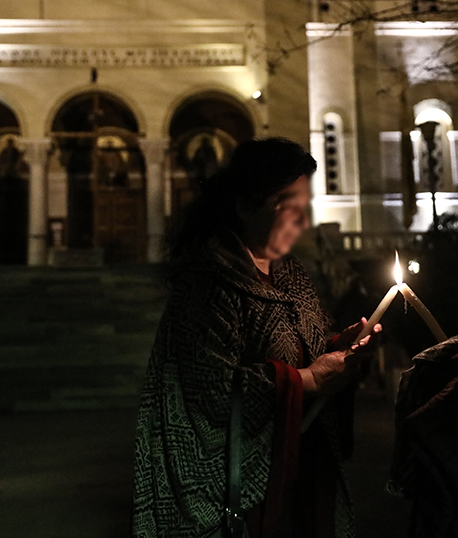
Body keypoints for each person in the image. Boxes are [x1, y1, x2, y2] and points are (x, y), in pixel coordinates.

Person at [132, 137, 380, 538]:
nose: (300, 218)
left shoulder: (293, 277)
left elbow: (305, 351)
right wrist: (308, 380)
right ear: (245, 206)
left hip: (303, 474)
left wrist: (339, 348)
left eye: (304, 203)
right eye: (286, 203)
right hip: (240, 497)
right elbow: (207, 392)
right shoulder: (209, 283)